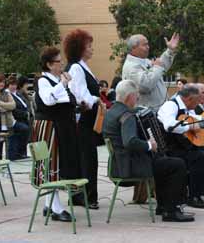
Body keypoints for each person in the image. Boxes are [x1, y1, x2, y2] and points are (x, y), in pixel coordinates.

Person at [102, 80, 194, 222]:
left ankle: (163, 206)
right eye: (136, 96)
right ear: (130, 97)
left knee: (164, 162)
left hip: (119, 164)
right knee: (177, 164)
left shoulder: (111, 112)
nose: (137, 99)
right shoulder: (127, 116)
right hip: (132, 167)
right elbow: (130, 141)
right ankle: (171, 211)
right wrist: (149, 145)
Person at [33, 46, 81, 222]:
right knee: (51, 164)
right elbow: (49, 100)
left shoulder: (57, 79)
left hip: (61, 126)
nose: (61, 64)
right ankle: (56, 207)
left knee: (57, 162)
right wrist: (62, 84)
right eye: (58, 61)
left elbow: (69, 99)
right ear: (48, 64)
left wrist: (66, 84)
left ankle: (49, 204)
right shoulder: (43, 81)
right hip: (49, 127)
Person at [65, 29, 100, 210]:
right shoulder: (76, 68)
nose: (92, 49)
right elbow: (81, 97)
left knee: (86, 158)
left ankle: (84, 195)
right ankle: (85, 196)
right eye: (89, 46)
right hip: (83, 122)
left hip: (88, 121)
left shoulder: (83, 67)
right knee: (87, 158)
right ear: (80, 48)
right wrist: (97, 100)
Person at [122, 33, 180, 111]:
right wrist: (156, 67)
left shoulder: (144, 61)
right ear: (133, 48)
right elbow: (145, 86)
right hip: (149, 115)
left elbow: (161, 66)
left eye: (147, 44)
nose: (148, 47)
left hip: (159, 111)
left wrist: (170, 50)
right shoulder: (131, 66)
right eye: (144, 45)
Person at [6, 75, 30, 160]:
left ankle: (22, 152)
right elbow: (13, 109)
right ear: (8, 85)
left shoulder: (17, 94)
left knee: (28, 130)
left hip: (23, 118)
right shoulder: (8, 94)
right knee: (24, 129)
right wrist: (24, 114)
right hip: (14, 119)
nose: (13, 86)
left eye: (15, 85)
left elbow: (24, 105)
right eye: (11, 85)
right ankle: (19, 152)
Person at [0, 74, 16, 159]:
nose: (2, 84)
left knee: (7, 142)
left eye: (3, 82)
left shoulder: (7, 93)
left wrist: (0, 103)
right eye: (0, 82)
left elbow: (13, 105)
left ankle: (7, 161)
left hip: (7, 121)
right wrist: (6, 107)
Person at [17, 76, 36, 142]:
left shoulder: (26, 95)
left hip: (30, 120)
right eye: (26, 84)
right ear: (21, 84)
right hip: (24, 120)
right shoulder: (18, 95)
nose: (27, 86)